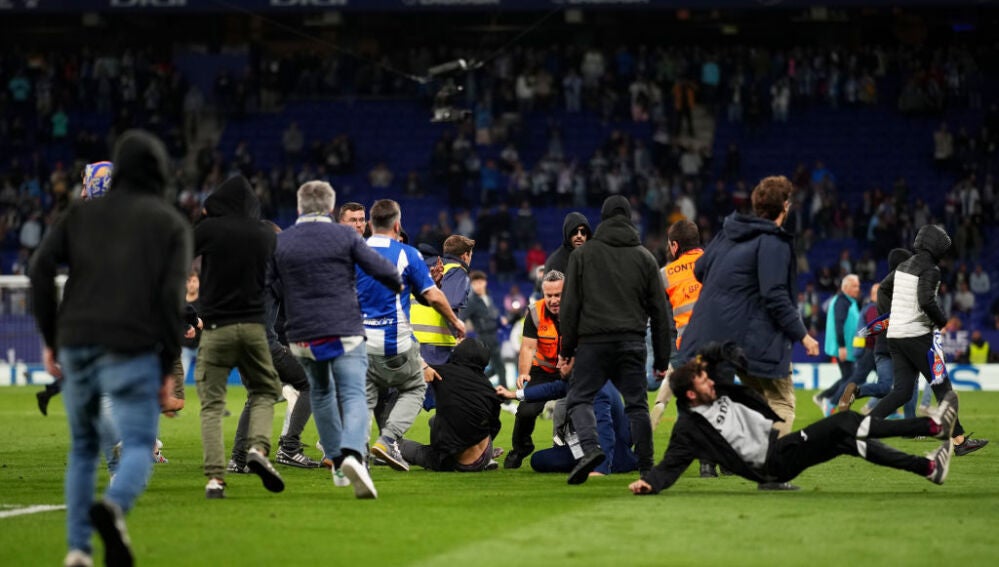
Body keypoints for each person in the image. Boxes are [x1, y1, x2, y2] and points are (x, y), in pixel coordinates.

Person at [29, 130, 192, 566]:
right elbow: (169, 302)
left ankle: (78, 549)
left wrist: (50, 337)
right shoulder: (168, 223)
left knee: (83, 449)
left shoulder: (79, 216)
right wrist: (166, 368)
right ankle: (115, 505)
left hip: (77, 341)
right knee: (139, 443)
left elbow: (40, 269)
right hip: (132, 344)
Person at [628, 358, 958, 495]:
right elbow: (671, 464)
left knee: (849, 441)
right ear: (690, 394)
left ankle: (928, 467)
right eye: (703, 380)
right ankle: (932, 426)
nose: (710, 381)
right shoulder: (689, 428)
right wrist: (649, 483)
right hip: (772, 462)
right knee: (845, 421)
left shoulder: (717, 393)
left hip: (777, 450)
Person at [679, 176, 819, 489]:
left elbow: (700, 270)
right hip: (753, 337)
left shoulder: (727, 233)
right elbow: (775, 295)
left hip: (712, 334)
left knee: (753, 400)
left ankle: (737, 456)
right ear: (785, 207)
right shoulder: (774, 242)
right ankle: (771, 473)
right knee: (781, 403)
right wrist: (803, 335)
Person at [270, 181, 402, 499]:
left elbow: (265, 285)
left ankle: (337, 463)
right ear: (331, 209)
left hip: (302, 334)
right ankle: (353, 453)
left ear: (299, 207)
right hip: (344, 329)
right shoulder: (345, 237)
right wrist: (397, 284)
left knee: (320, 393)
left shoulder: (282, 241)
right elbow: (383, 270)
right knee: (354, 393)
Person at [559, 195, 674, 484]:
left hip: (592, 343)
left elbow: (570, 307)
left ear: (603, 218)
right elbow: (660, 312)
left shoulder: (582, 256)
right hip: (631, 342)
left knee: (579, 398)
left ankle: (591, 449)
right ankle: (646, 467)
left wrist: (567, 348)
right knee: (637, 405)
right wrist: (662, 359)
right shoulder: (645, 257)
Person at [194, 174, 287, 500]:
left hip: (216, 328)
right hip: (253, 327)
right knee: (265, 390)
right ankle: (258, 449)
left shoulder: (209, 230)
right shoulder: (265, 233)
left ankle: (215, 479)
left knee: (212, 405)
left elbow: (178, 250)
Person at [357, 199, 465, 473]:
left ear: (369, 224)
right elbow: (433, 296)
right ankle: (388, 440)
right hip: (395, 342)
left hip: (360, 342)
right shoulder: (407, 254)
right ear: (397, 225)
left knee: (365, 395)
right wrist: (455, 321)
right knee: (416, 386)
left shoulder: (352, 252)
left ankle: (355, 452)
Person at [869, 225, 988, 456]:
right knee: (942, 386)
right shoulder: (931, 269)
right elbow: (925, 300)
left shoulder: (904, 266)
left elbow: (883, 289)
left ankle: (861, 427)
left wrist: (890, 318)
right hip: (917, 335)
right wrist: (942, 321)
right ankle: (959, 442)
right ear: (937, 246)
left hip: (896, 336)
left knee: (902, 392)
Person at [399, 339, 502, 472]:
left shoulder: (441, 373)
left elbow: (410, 360)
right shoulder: (488, 388)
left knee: (399, 445)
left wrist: (424, 367)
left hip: (454, 461)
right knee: (436, 420)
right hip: (484, 455)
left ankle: (391, 446)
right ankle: (488, 458)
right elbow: (495, 426)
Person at [505, 270, 568, 469]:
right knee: (525, 411)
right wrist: (524, 373)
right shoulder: (534, 312)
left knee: (582, 407)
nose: (553, 300)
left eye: (558, 295)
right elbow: (528, 347)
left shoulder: (579, 309)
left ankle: (573, 448)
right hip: (542, 371)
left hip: (571, 370)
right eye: (549, 295)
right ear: (543, 293)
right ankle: (520, 448)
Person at [411, 234, 474, 409]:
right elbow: (450, 302)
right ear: (465, 255)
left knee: (412, 394)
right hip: (436, 345)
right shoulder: (457, 271)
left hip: (412, 339)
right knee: (454, 398)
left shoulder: (425, 266)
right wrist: (457, 326)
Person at [814, 274, 862, 413]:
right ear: (845, 287)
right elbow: (839, 324)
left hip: (847, 347)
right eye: (854, 286)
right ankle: (829, 401)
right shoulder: (842, 302)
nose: (858, 289)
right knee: (851, 377)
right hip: (844, 347)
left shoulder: (848, 301)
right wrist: (841, 346)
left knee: (848, 376)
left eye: (858, 286)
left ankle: (824, 397)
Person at [463, 270, 508, 390]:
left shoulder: (488, 297)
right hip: (483, 338)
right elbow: (462, 317)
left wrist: (500, 320)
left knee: (496, 368)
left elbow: (493, 315)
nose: (478, 285)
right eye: (474, 283)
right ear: (471, 285)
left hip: (494, 336)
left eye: (480, 282)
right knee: (500, 367)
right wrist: (461, 330)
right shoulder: (471, 301)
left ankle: (474, 385)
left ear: (485, 282)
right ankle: (505, 396)